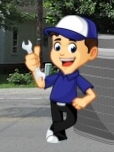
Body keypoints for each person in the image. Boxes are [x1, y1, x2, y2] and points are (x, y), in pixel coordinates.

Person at [25, 15, 99, 143]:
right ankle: (59, 135)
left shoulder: (77, 77)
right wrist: (34, 70)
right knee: (57, 119)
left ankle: (53, 129)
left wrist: (84, 100)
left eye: (72, 47)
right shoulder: (57, 76)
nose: (63, 53)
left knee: (71, 120)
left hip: (70, 102)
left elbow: (91, 94)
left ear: (91, 53)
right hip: (54, 101)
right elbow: (42, 84)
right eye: (57, 46)